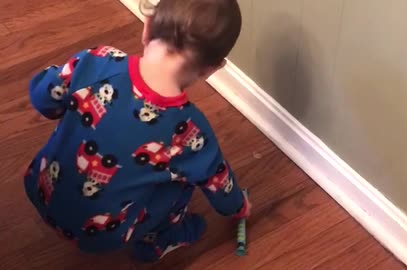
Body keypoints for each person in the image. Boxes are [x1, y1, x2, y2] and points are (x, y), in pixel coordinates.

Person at [23, 0, 251, 262]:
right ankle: (161, 239)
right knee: (186, 177)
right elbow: (218, 182)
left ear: (148, 26)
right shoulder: (190, 131)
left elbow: (44, 99)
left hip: (41, 188)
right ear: (213, 69)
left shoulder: (97, 59)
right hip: (100, 235)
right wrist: (239, 207)